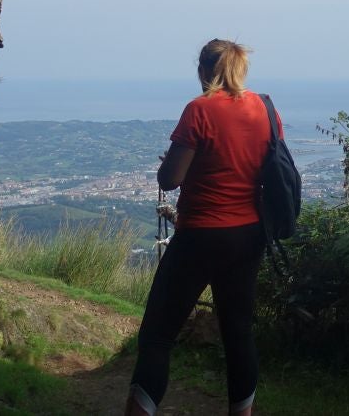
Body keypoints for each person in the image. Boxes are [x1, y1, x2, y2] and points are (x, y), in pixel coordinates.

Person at [125, 39, 281, 416]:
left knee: (158, 335)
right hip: (248, 235)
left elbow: (171, 178)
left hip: (200, 234)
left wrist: (176, 163)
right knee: (238, 333)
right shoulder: (266, 109)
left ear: (202, 70)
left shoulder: (199, 110)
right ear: (240, 69)